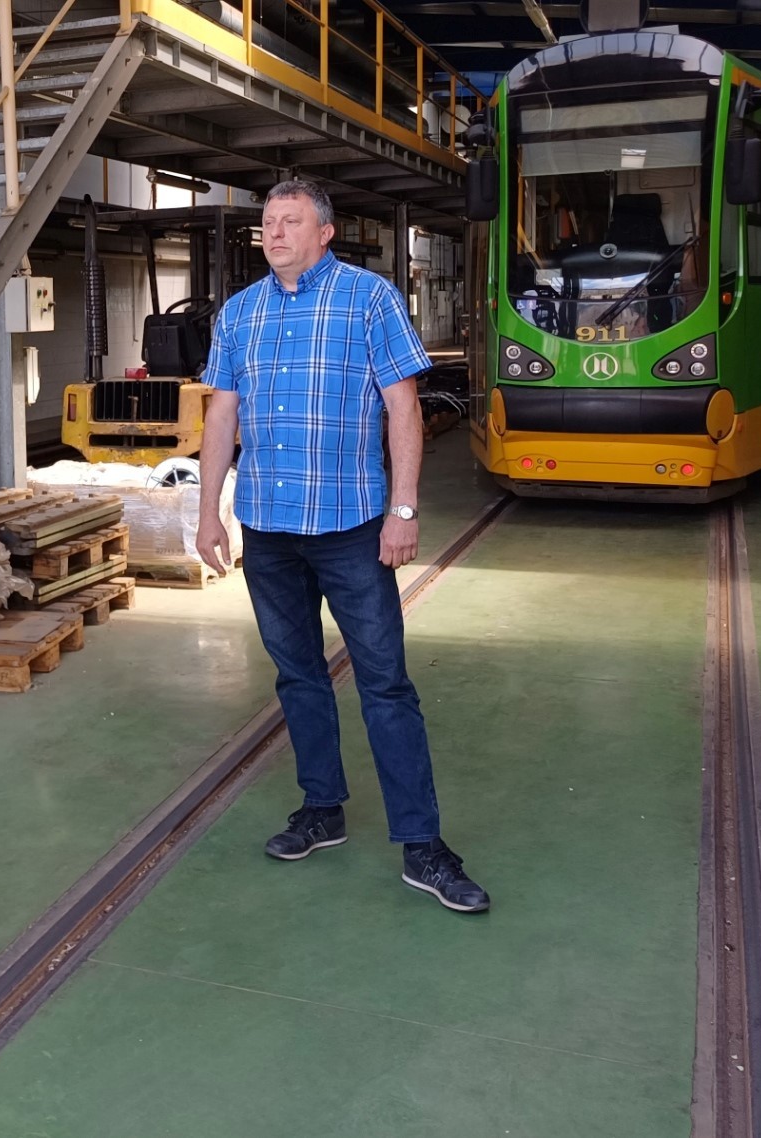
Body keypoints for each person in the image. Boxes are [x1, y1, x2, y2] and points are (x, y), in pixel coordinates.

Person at [195, 179, 490, 914]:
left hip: (351, 528)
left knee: (384, 682)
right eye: (268, 222)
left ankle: (423, 845)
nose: (274, 232)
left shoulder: (368, 300)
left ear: (324, 232)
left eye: (290, 221)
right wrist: (208, 515)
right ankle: (321, 808)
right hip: (268, 529)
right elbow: (221, 419)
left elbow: (403, 408)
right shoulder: (240, 313)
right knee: (297, 676)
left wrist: (404, 509)